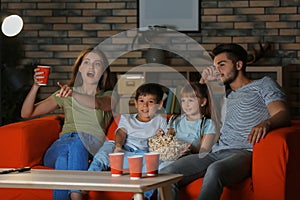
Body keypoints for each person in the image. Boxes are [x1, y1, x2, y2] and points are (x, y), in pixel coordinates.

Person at [159, 43, 291, 200]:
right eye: (215, 66)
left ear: (239, 65)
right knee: (166, 173)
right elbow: (197, 107)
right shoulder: (223, 95)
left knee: (214, 170)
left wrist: (267, 123)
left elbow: (283, 113)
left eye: (221, 65)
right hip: (216, 151)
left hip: (243, 153)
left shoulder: (263, 84)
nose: (217, 70)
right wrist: (203, 81)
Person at [21, 47, 116, 200]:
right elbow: (27, 113)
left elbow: (98, 104)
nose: (91, 67)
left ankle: (75, 196)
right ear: (80, 68)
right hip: (61, 144)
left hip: (90, 145)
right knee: (67, 150)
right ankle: (76, 195)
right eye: (87, 62)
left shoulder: (109, 95)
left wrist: (74, 94)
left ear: (103, 71)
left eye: (97, 64)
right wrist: (36, 86)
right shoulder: (66, 93)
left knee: (63, 161)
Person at [88, 82, 167, 200]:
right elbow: (121, 132)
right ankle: (90, 178)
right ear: (135, 103)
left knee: (157, 163)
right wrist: (118, 147)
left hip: (144, 155)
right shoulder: (127, 118)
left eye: (150, 102)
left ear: (159, 104)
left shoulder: (160, 120)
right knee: (107, 147)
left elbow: (163, 141)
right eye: (141, 101)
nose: (145, 106)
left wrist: (158, 137)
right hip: (124, 151)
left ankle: (143, 196)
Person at [158, 82, 218, 169]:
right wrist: (162, 137)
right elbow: (168, 141)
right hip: (171, 157)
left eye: (190, 100)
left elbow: (204, 151)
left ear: (203, 102)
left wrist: (192, 148)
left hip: (191, 160)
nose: (186, 104)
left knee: (164, 168)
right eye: (183, 100)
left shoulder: (208, 124)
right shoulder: (175, 120)